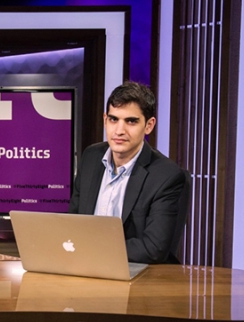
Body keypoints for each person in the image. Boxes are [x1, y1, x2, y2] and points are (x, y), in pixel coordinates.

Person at [68, 81, 187, 264]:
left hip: (137, 276)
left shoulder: (166, 176)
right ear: (105, 120)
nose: (119, 130)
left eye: (131, 121)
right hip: (85, 268)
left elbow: (154, 248)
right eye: (114, 119)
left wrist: (92, 248)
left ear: (149, 125)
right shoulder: (91, 157)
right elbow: (73, 221)